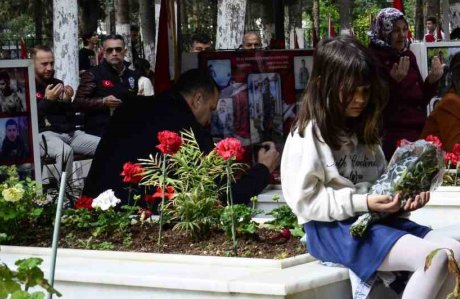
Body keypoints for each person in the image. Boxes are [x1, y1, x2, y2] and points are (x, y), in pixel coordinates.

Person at [280, 36, 460, 299]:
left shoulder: (363, 132)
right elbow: (305, 202)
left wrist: (405, 199)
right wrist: (362, 202)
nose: (360, 100)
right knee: (434, 259)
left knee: (458, 253)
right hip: (333, 229)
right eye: (352, 91)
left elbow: (381, 185)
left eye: (365, 91)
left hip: (374, 220)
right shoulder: (307, 136)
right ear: (326, 86)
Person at [84, 69, 278, 203]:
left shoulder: (130, 107)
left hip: (92, 206)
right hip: (143, 220)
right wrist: (263, 168)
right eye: (211, 110)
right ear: (198, 99)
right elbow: (225, 194)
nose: (209, 119)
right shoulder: (188, 127)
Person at [368, 8, 444, 159]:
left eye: (404, 29)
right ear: (384, 31)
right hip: (390, 139)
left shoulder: (407, 55)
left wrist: (432, 81)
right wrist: (393, 82)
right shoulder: (373, 59)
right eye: (396, 30)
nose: (402, 35)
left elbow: (420, 99)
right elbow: (373, 104)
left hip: (418, 134)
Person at [31, 45, 100, 173]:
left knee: (105, 145)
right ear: (32, 63)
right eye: (44, 64)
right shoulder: (26, 85)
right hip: (43, 134)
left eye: (52, 63)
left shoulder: (57, 83)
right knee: (65, 152)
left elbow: (69, 116)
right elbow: (29, 120)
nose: (50, 68)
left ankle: (99, 187)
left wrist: (68, 101)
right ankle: (63, 192)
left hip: (69, 133)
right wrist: (47, 101)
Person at [75, 34, 139, 137]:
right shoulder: (93, 74)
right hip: (100, 132)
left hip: (128, 130)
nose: (114, 53)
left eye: (118, 49)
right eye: (110, 50)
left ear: (125, 52)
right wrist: (103, 101)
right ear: (104, 53)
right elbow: (77, 103)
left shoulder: (133, 75)